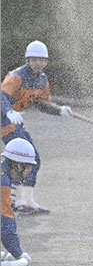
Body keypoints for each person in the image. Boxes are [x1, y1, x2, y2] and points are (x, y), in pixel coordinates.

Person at [1, 40, 72, 214]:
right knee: (21, 158)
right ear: (28, 60)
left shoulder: (42, 80)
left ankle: (27, 200)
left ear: (46, 62)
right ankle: (16, 202)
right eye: (34, 59)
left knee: (33, 159)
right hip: (5, 121)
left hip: (17, 122)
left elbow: (43, 104)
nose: (38, 63)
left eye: (41, 60)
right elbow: (1, 96)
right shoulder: (16, 76)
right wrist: (8, 111)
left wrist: (59, 110)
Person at [1, 138, 36, 266]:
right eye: (28, 167)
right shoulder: (2, 182)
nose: (29, 172)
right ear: (19, 165)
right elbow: (5, 222)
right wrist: (18, 253)